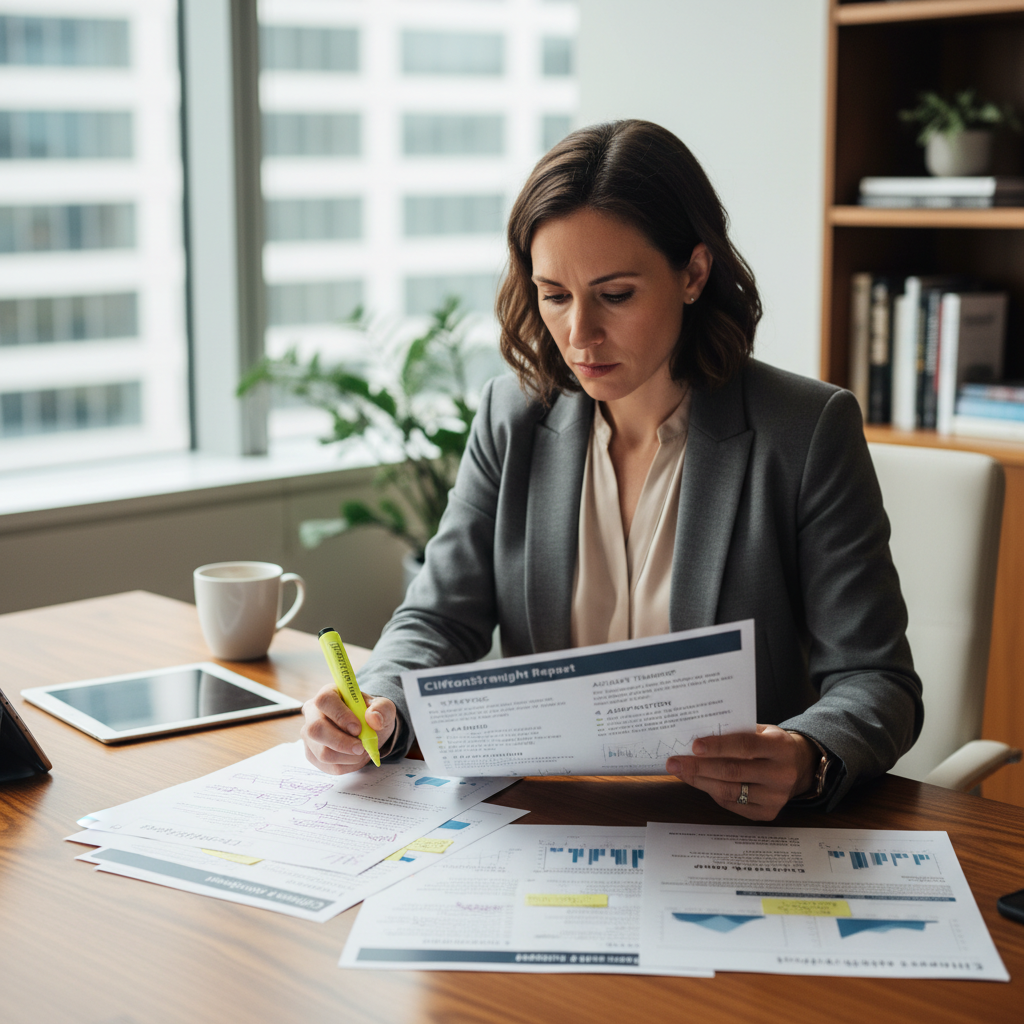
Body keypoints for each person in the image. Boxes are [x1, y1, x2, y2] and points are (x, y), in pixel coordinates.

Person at [300, 119, 923, 821]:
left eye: (616, 295)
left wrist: (809, 755)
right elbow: (439, 617)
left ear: (693, 273)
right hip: (550, 826)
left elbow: (877, 680)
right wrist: (377, 702)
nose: (578, 335)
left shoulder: (805, 431)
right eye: (555, 295)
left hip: (733, 832)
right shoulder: (513, 418)